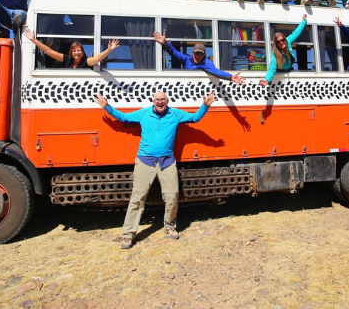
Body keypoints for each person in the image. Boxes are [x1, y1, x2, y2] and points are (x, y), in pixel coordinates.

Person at [94, 90, 218, 249]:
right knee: (137, 198)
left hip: (167, 162)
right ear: (153, 101)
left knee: (172, 196)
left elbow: (194, 118)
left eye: (163, 99)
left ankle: (170, 227)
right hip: (145, 161)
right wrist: (107, 106)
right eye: (157, 99)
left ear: (167, 101)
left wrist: (205, 106)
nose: (160, 102)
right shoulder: (144, 113)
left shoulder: (175, 114)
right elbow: (124, 117)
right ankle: (127, 235)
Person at [153, 31, 246, 84]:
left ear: (204, 55)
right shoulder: (187, 59)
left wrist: (231, 77)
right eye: (195, 53)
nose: (197, 56)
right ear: (192, 53)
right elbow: (175, 53)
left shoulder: (206, 63)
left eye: (200, 54)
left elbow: (217, 72)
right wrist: (165, 43)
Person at [24, 28, 119, 68]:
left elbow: (97, 58)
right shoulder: (67, 59)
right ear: (71, 52)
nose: (77, 53)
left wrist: (109, 50)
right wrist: (33, 39)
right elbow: (49, 51)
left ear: (82, 52)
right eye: (74, 51)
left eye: (79, 50)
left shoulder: (86, 61)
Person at [259, 14, 308, 86]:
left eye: (282, 40)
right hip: (280, 73)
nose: (281, 42)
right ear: (276, 44)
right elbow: (272, 68)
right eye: (278, 42)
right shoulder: (276, 53)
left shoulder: (288, 41)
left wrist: (304, 21)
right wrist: (267, 80)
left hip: (289, 69)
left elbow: (296, 33)